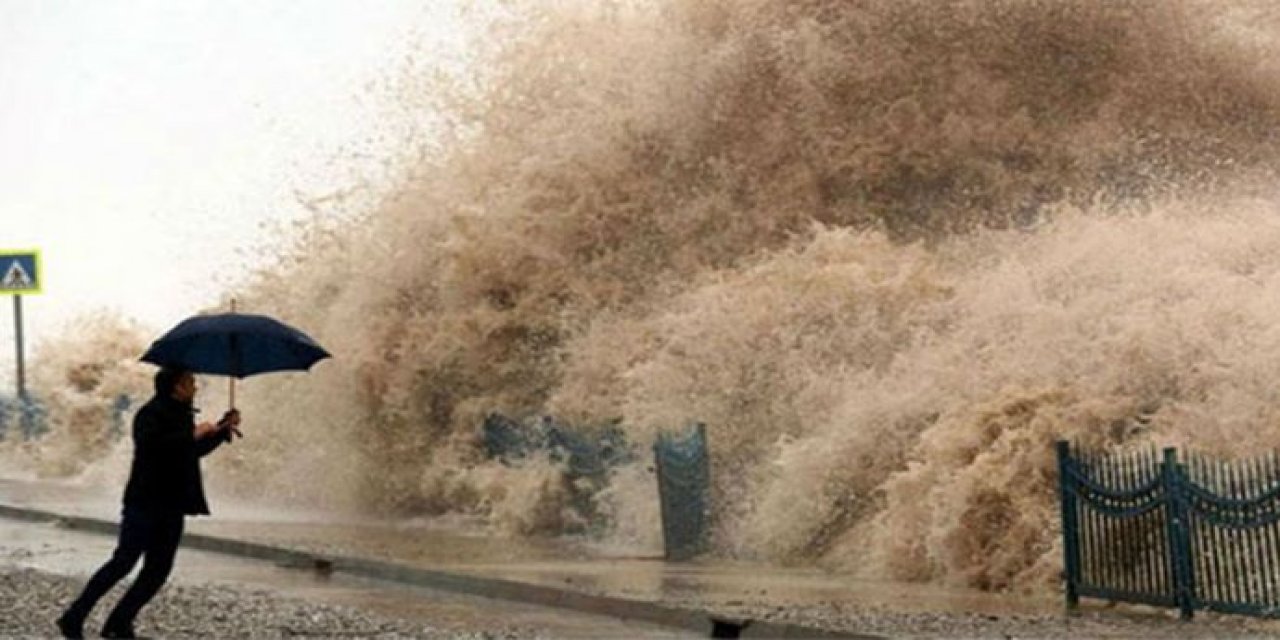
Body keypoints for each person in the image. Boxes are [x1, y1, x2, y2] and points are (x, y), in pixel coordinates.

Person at [56, 367, 241, 639]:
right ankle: (74, 616)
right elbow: (154, 449)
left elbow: (189, 454)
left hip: (172, 504)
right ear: (175, 387)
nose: (195, 387)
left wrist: (221, 432)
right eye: (190, 382)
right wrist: (193, 434)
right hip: (145, 502)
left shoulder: (183, 414)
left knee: (158, 570)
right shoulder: (149, 414)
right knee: (123, 563)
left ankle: (118, 623)